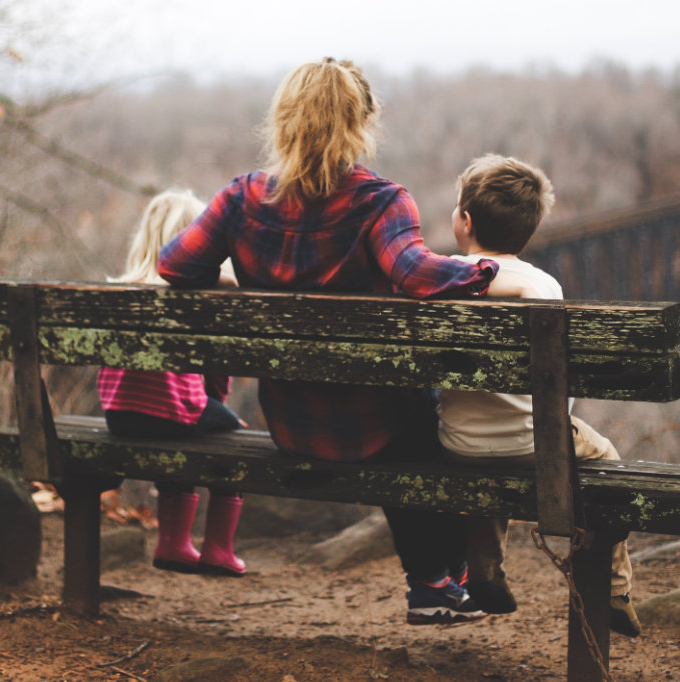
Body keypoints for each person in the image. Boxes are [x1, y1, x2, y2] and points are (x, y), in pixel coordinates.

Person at [158, 58, 500, 625]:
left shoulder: (240, 199)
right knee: (431, 414)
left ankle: (441, 581)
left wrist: (229, 280)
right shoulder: (380, 202)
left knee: (410, 412)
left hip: (293, 425)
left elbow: (174, 265)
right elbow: (416, 274)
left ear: (283, 121)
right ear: (363, 121)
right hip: (378, 429)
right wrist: (487, 269)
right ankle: (439, 579)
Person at [437, 153, 642, 636]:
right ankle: (614, 588)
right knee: (605, 456)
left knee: (485, 445)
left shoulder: (440, 278)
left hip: (458, 444)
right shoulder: (543, 286)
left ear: (464, 222)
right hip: (536, 444)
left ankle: (484, 572)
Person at [97, 189, 248, 578]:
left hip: (118, 416)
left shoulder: (120, 290)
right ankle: (217, 549)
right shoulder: (193, 295)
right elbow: (215, 372)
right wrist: (220, 408)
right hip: (170, 412)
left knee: (182, 424)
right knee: (233, 436)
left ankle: (173, 543)